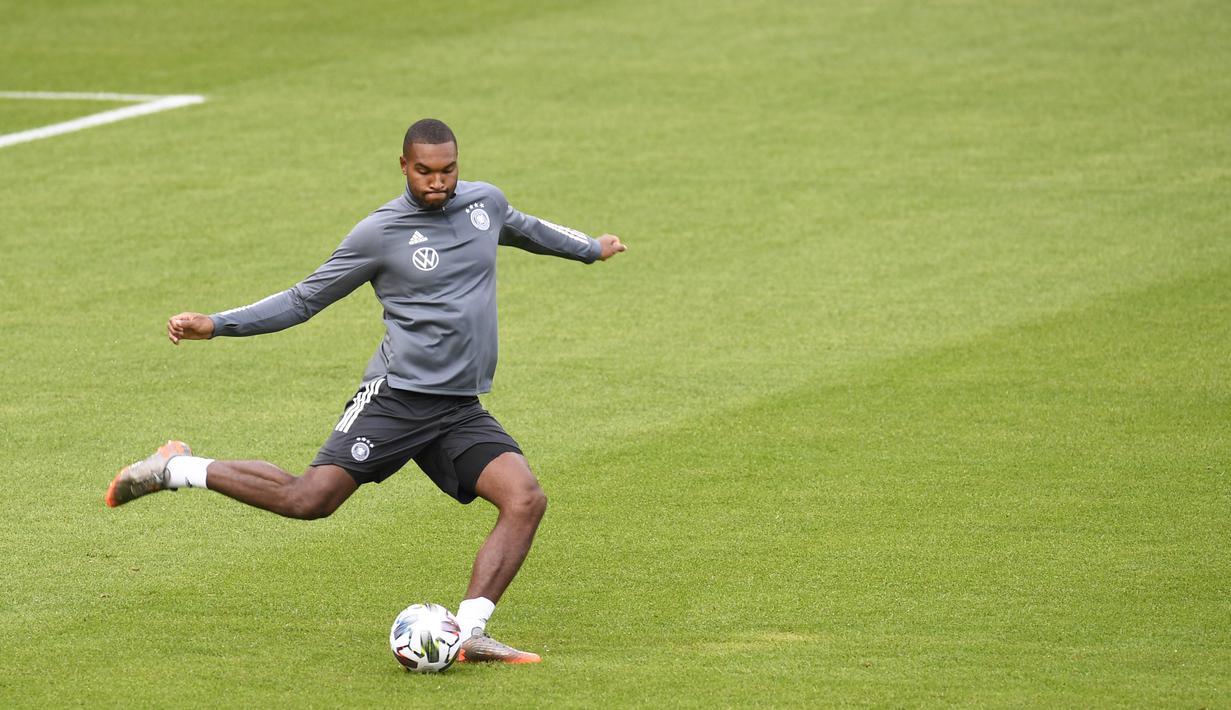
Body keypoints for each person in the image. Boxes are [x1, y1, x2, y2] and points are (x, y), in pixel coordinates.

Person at [105, 118, 626, 664]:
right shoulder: (380, 233)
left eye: (447, 170)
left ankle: (470, 630)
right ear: (403, 166)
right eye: (424, 171)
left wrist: (590, 248)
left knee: (524, 499)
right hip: (397, 397)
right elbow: (304, 298)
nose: (437, 182)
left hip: (458, 407)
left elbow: (526, 228)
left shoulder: (484, 204)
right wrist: (216, 323)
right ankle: (176, 468)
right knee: (309, 500)